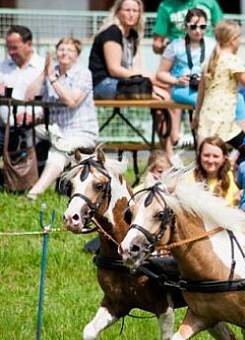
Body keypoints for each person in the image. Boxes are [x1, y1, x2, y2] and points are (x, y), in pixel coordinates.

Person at [24, 37, 99, 200]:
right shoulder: (52, 72)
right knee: (24, 135)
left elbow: (71, 101)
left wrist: (52, 79)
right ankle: (19, 181)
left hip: (81, 131)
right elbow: (29, 96)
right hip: (55, 128)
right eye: (61, 49)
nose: (64, 53)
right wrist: (44, 73)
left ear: (77, 55)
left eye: (69, 50)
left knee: (59, 149)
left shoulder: (83, 74)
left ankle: (34, 193)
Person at [192, 20, 245, 148]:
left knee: (205, 157)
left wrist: (197, 114)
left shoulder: (209, 60)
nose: (240, 42)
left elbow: (201, 91)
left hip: (207, 117)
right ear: (233, 40)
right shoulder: (233, 61)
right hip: (223, 119)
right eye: (239, 38)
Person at [156, 8, 216, 155]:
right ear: (185, 26)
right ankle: (203, 145)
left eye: (202, 27)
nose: (198, 31)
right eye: (193, 27)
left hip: (206, 86)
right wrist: (176, 80)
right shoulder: (175, 46)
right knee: (201, 100)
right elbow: (160, 73)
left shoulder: (212, 44)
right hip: (183, 88)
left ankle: (217, 141)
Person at [88, 0, 146, 99]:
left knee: (162, 90)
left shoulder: (133, 35)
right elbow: (114, 70)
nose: (131, 14)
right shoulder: (112, 32)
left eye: (135, 11)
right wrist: (143, 77)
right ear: (118, 12)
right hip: (102, 83)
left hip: (123, 81)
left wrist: (146, 78)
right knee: (154, 93)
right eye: (127, 10)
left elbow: (136, 68)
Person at [0, 25, 45, 147]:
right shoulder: (2, 67)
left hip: (35, 128)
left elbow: (50, 99)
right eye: (8, 47)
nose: (10, 52)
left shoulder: (43, 67)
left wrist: (33, 115)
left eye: (14, 48)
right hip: (4, 128)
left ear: (29, 44)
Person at [152, 0, 223, 55]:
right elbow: (158, 42)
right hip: (179, 53)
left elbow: (222, 31)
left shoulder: (210, 2)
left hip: (208, 51)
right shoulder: (166, 6)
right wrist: (167, 50)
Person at [184, 136, 240, 206]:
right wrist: (215, 198)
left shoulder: (230, 175)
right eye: (206, 155)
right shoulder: (189, 179)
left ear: (224, 158)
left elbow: (234, 207)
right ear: (199, 156)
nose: (210, 160)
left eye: (215, 156)